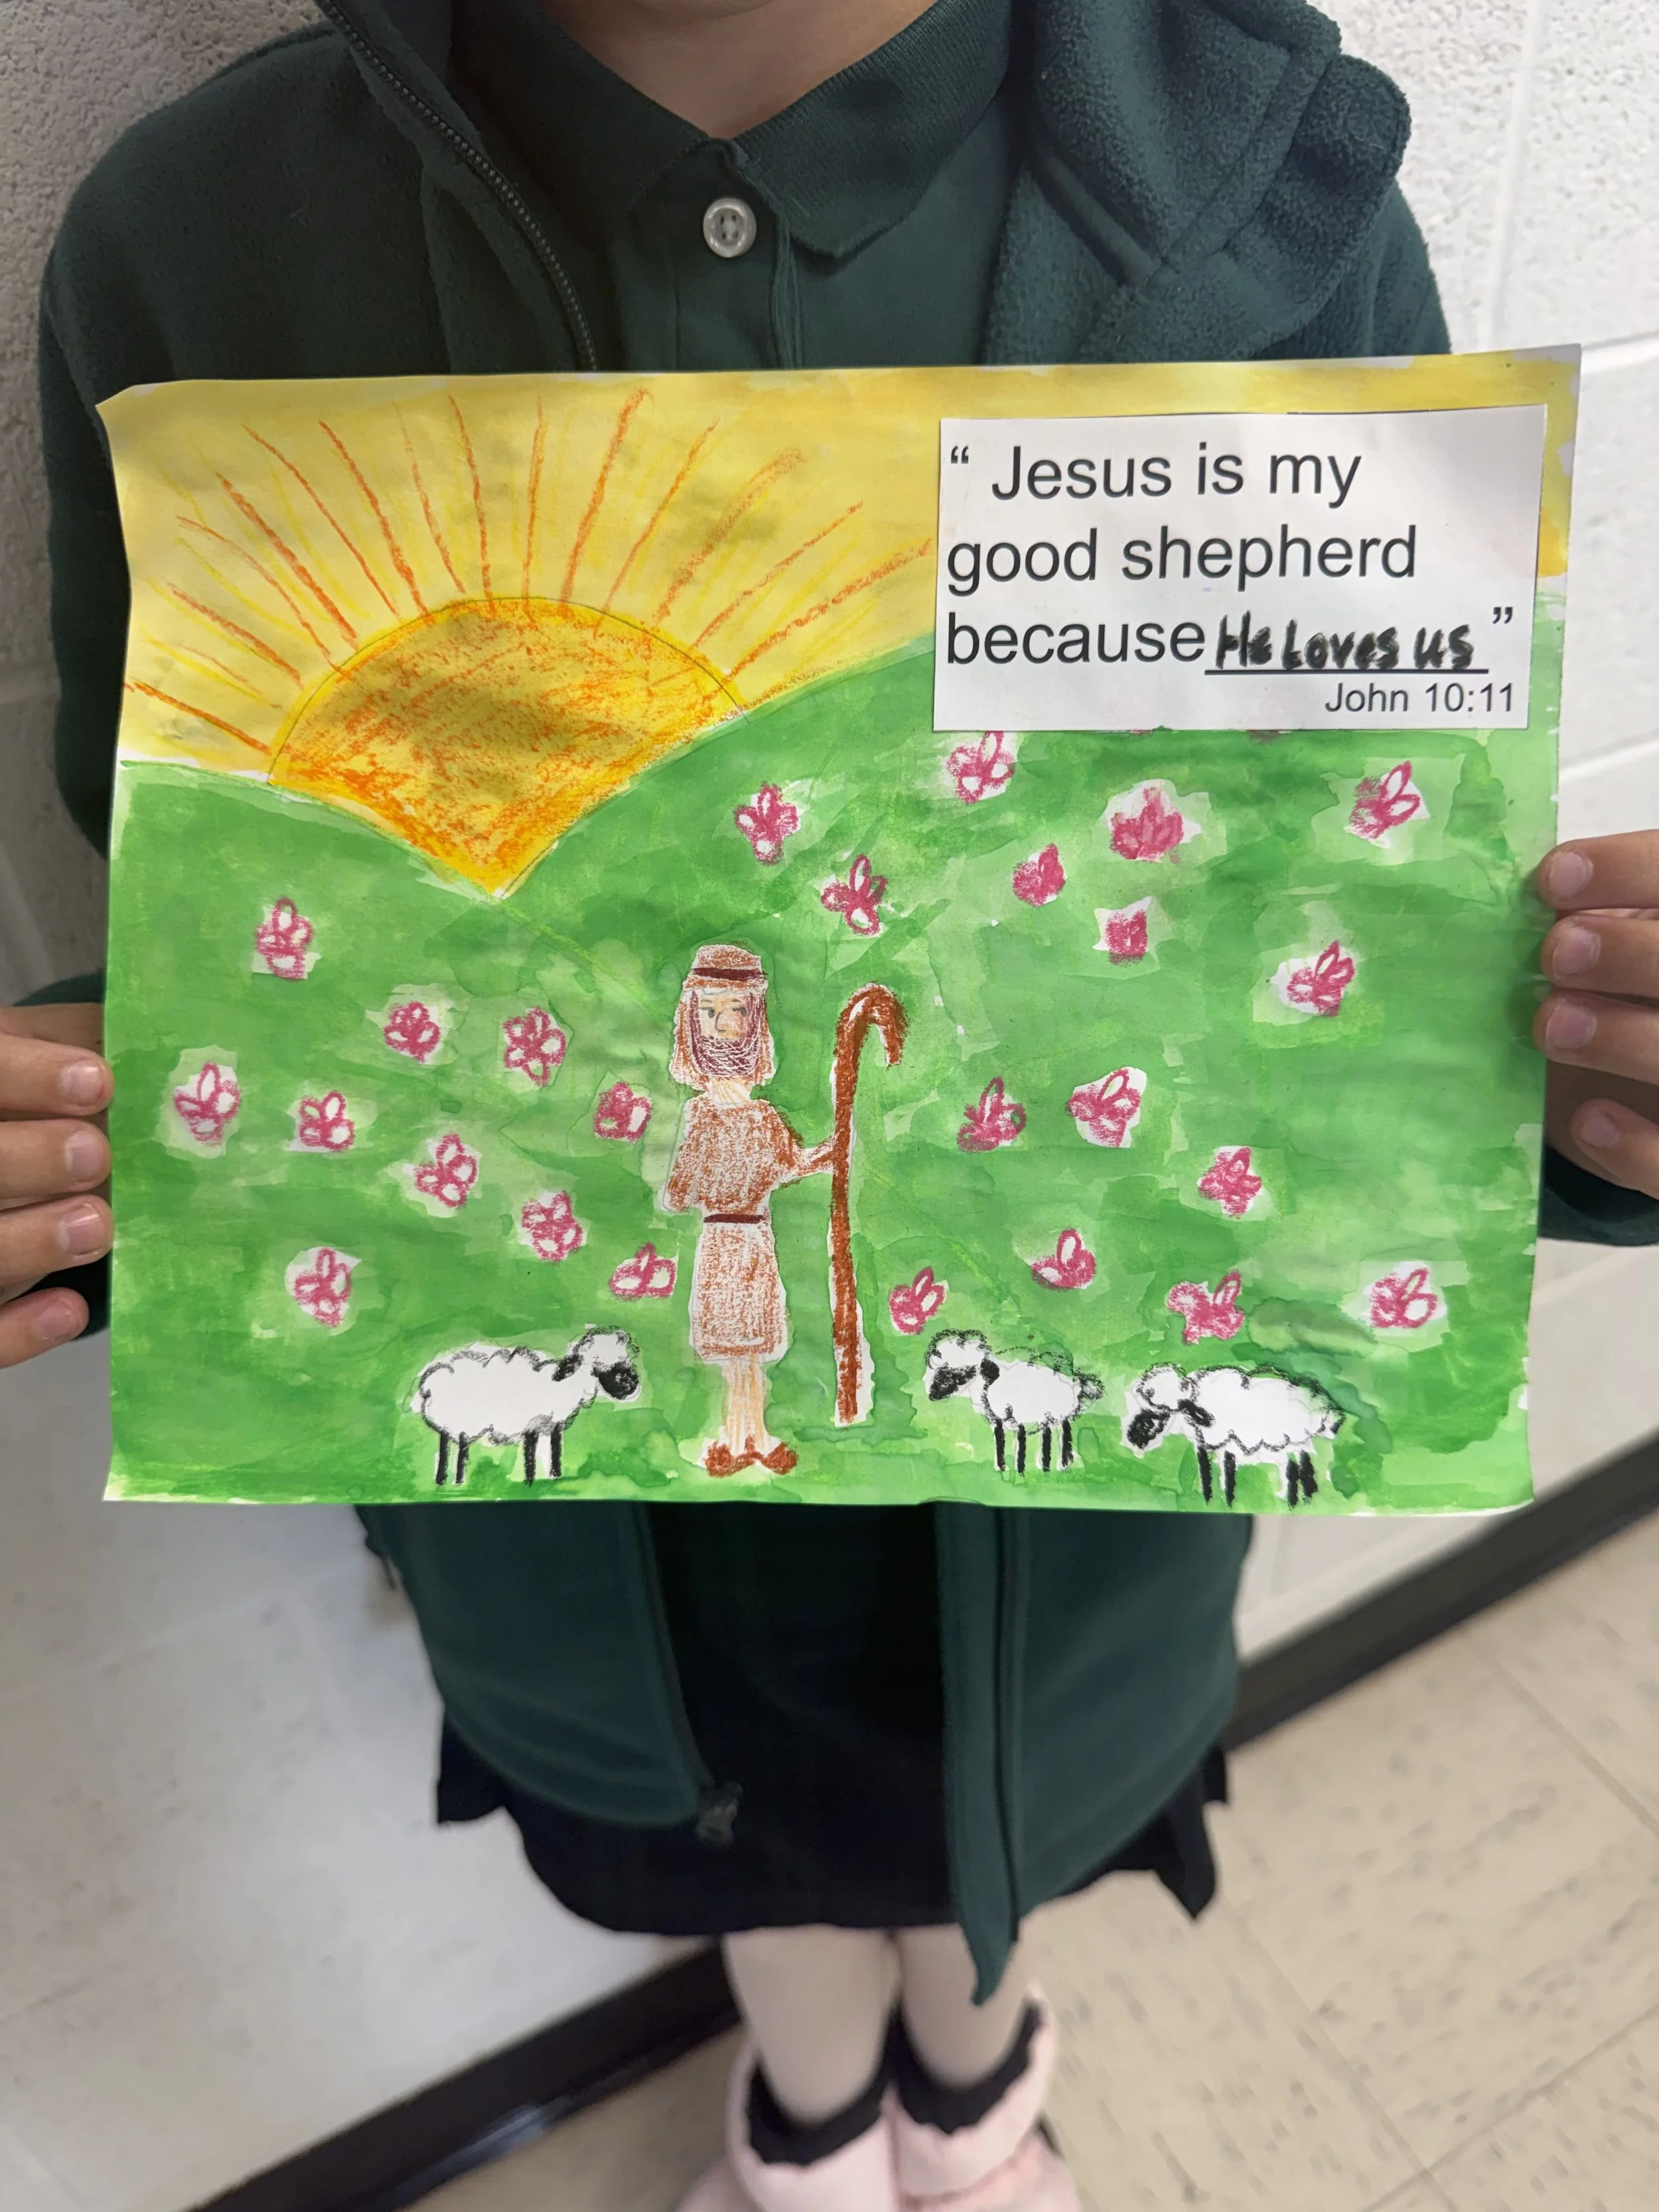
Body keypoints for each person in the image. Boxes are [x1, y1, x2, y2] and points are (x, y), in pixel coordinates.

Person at [6, 3, 1659, 2207]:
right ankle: (805, 2106)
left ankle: (976, 2093)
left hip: (1077, 1502)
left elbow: (1342, 955)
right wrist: (86, 1148)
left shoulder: (1278, 204)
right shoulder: (199, 252)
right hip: (588, 1547)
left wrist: (1575, 1092)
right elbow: (234, 949)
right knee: (742, 1852)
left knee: (1008, 1821)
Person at [664, 944, 835, 1477]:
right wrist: (725, 1175)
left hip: (754, 1239)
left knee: (753, 1349)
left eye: (737, 1010)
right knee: (735, 1348)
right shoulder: (703, 1115)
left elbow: (790, 1163)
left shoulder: (764, 1116)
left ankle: (752, 1436)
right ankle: (734, 1437)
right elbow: (678, 1189)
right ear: (695, 1021)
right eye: (713, 1011)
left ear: (754, 1018)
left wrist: (830, 1153)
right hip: (724, 1238)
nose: (726, 1023)